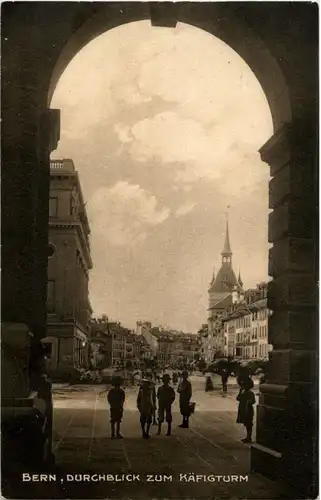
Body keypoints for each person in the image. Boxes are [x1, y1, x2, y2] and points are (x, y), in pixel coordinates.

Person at [236, 377, 256, 443]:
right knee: (246, 423)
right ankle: (248, 437)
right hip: (243, 409)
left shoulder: (250, 393)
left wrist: (249, 402)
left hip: (248, 410)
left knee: (249, 424)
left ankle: (249, 437)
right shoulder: (242, 391)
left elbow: (253, 401)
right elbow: (238, 398)